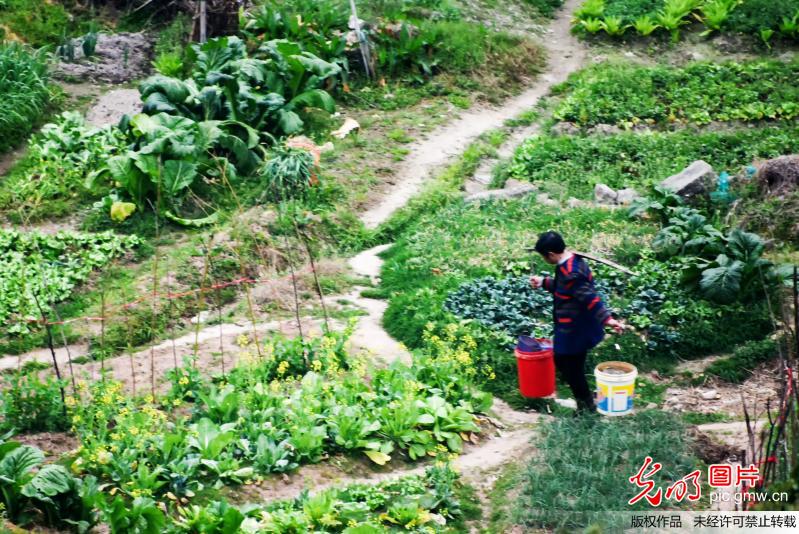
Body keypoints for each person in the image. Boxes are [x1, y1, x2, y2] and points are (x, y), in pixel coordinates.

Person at [529, 231, 623, 413]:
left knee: (570, 366)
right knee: (568, 362)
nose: (544, 260)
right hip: (571, 326)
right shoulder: (571, 262)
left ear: (550, 254)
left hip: (575, 328)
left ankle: (586, 408)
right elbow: (563, 287)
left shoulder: (571, 272)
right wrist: (543, 282)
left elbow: (590, 298)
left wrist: (608, 319)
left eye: (543, 257)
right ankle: (584, 400)